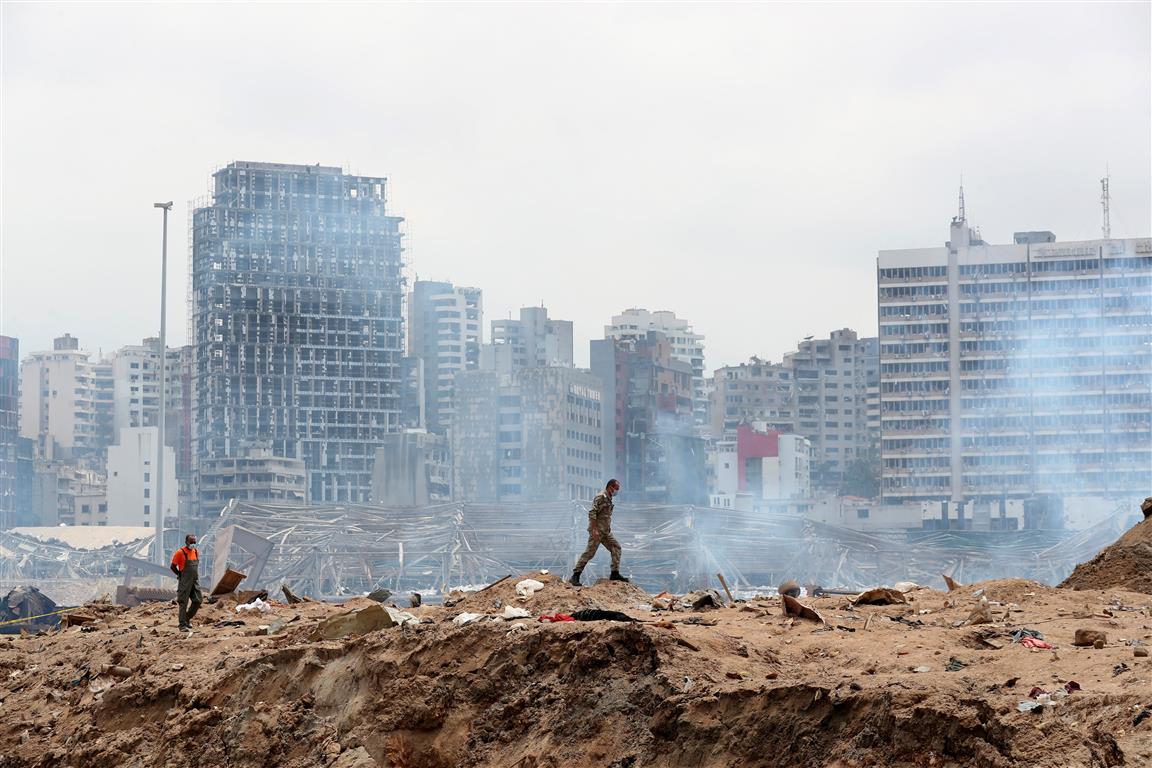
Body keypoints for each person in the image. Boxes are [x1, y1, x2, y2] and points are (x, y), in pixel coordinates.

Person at [570, 479, 628, 586]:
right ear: (610, 487)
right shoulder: (601, 497)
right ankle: (575, 576)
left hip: (605, 532)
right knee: (589, 553)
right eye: (616, 489)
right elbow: (592, 512)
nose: (617, 492)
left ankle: (615, 573)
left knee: (616, 548)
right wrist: (594, 529)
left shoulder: (609, 498)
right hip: (597, 531)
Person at [170, 534, 202, 633]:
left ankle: (187, 618)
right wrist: (180, 575)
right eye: (191, 542)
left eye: (194, 542)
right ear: (186, 542)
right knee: (183, 602)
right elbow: (173, 566)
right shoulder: (180, 553)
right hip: (184, 582)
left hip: (194, 581)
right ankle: (182, 624)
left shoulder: (196, 552)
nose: (193, 544)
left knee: (198, 600)